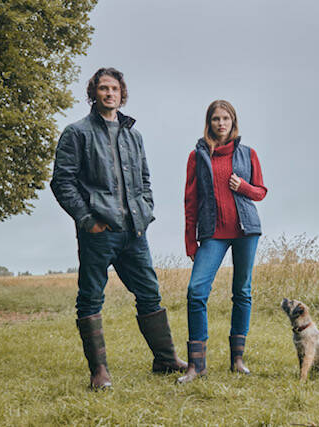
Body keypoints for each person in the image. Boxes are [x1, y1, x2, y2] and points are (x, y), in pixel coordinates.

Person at [51, 67, 186, 390]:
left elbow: (145, 180)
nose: (109, 93)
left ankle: (165, 359)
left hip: (134, 232)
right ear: (94, 93)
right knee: (90, 298)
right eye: (103, 88)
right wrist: (87, 221)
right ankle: (99, 372)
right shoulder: (77, 133)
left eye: (114, 88)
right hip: (99, 232)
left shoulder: (133, 135)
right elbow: (62, 182)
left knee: (150, 294)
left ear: (121, 93)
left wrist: (145, 211)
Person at [177, 100, 267, 384]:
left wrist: (244, 187)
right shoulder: (197, 156)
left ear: (233, 121)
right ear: (209, 123)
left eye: (226, 118)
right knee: (196, 291)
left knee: (242, 292)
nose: (221, 123)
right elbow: (190, 201)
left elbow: (261, 192)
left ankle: (237, 360)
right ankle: (197, 365)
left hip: (246, 231)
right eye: (216, 119)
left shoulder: (248, 153)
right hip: (212, 233)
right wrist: (190, 240)